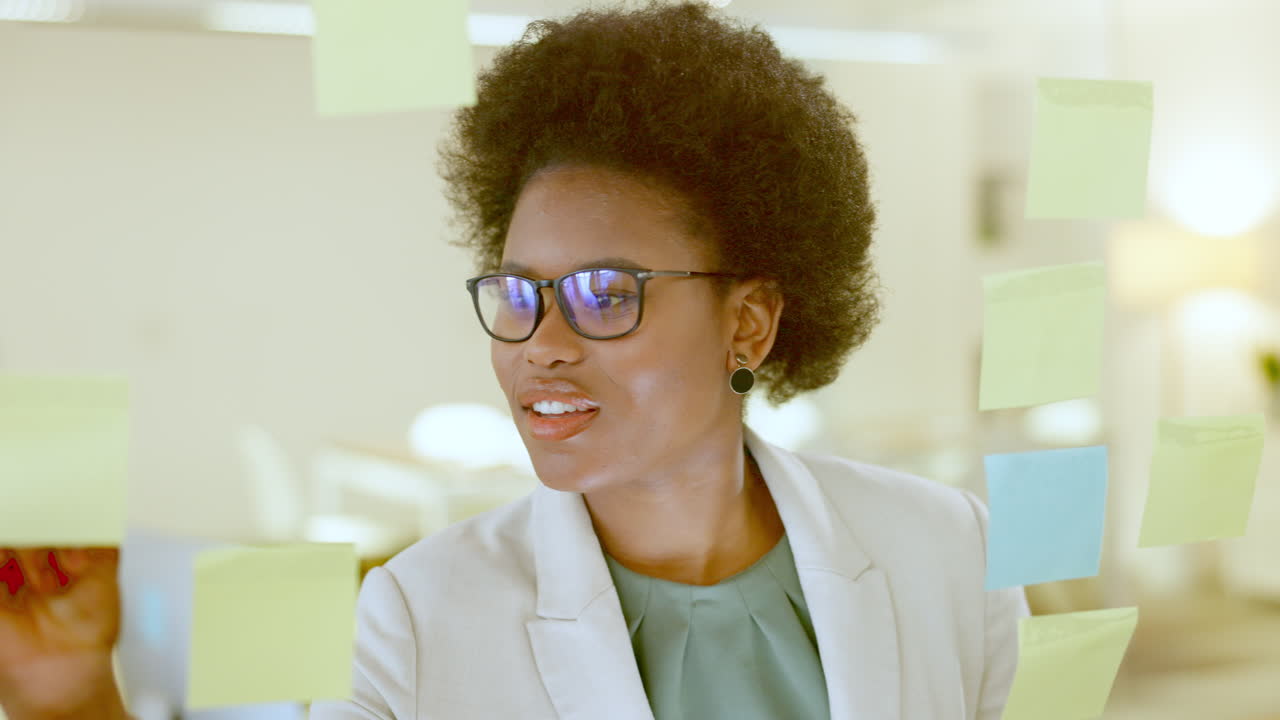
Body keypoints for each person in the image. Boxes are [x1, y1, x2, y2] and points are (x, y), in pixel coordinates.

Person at [0, 2, 1029, 718]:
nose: (540, 345)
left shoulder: (947, 556)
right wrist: (71, 703)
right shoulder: (418, 613)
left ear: (748, 323)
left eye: (603, 293)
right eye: (518, 294)